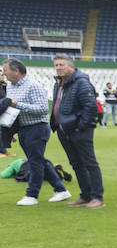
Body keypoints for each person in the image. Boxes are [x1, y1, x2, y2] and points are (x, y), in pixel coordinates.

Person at [2, 58, 71, 205]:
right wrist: (11, 129)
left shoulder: (33, 86)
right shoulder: (10, 87)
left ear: (16, 71)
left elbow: (43, 109)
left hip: (37, 128)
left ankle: (32, 195)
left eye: (5, 70)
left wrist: (17, 104)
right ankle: (60, 190)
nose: (3, 73)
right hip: (22, 129)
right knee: (39, 160)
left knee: (35, 162)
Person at [49, 54, 104, 208]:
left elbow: (91, 107)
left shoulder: (81, 83)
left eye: (61, 65)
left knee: (89, 163)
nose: (58, 67)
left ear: (71, 66)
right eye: (56, 65)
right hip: (63, 129)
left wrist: (81, 126)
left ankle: (97, 197)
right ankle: (85, 195)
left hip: (78, 130)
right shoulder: (58, 83)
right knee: (76, 164)